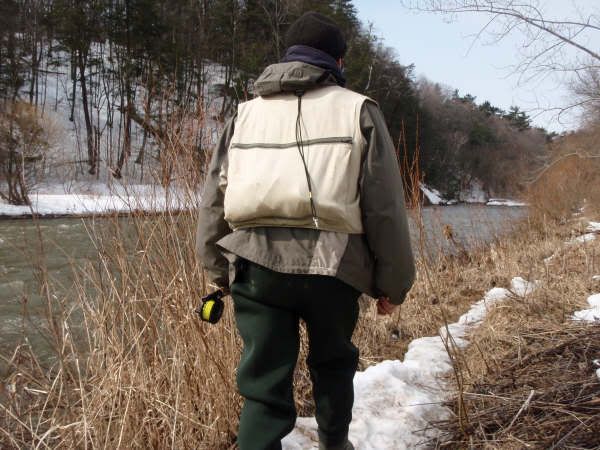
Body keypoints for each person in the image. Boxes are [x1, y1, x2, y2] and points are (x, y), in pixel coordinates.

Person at [196, 11, 415, 450]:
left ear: (287, 57)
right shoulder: (359, 110)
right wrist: (393, 284)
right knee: (333, 364)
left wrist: (217, 268)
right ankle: (336, 445)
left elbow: (214, 198)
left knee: (262, 382)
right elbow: (384, 208)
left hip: (255, 268)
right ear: (337, 61)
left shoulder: (243, 116)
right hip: (335, 268)